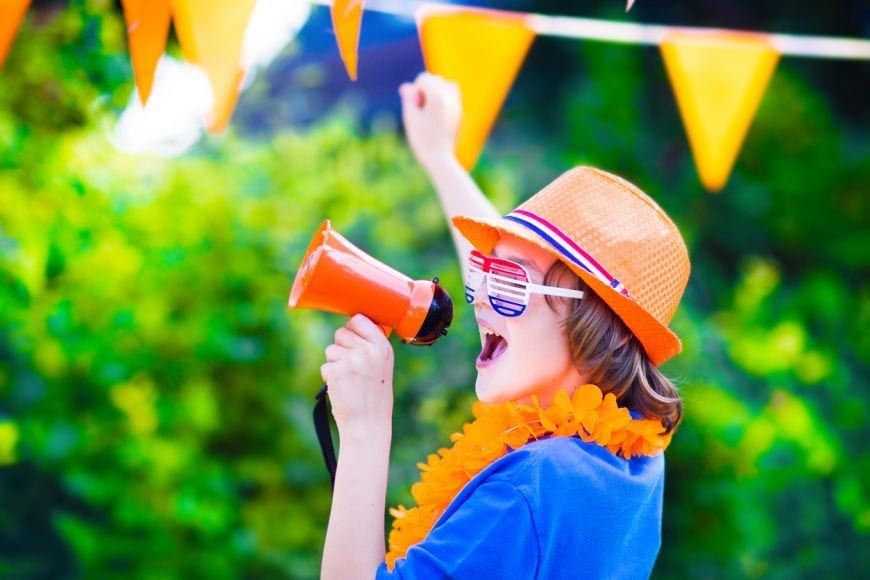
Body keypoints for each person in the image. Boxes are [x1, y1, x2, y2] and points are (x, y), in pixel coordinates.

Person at [318, 72, 690, 579]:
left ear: (601, 331)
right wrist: (440, 158)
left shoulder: (530, 489)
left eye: (511, 285)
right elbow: (536, 308)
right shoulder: (628, 465)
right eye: (482, 275)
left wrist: (363, 429)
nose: (481, 300)